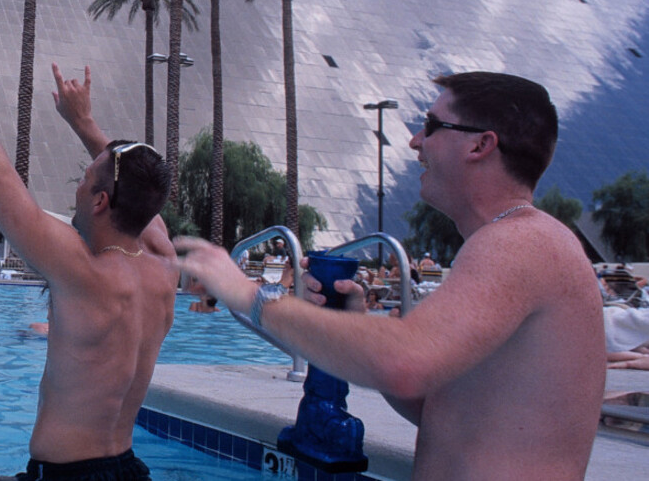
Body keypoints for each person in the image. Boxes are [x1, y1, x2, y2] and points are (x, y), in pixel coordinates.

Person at [179, 71, 605, 479]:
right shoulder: (509, 242)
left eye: (432, 126)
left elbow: (404, 363)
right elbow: (437, 409)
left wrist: (250, 296)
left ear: (481, 144)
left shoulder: (521, 242)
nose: (415, 140)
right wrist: (355, 324)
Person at [0, 34, 177, 480]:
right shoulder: (164, 262)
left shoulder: (82, 270)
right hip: (127, 470)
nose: (77, 187)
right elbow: (142, 190)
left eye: (85, 179)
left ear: (100, 201)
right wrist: (83, 123)